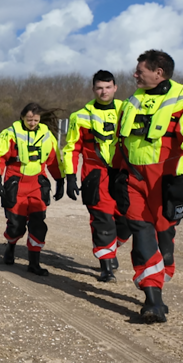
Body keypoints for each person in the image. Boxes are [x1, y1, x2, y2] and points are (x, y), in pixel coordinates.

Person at [112, 50, 183, 323]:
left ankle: (161, 269)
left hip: (166, 180)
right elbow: (121, 141)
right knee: (141, 233)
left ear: (158, 73)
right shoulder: (131, 102)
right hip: (133, 178)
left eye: (140, 70)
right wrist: (113, 173)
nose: (135, 74)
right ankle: (153, 299)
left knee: (164, 239)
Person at [60, 70, 130, 282]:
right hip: (95, 174)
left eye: (108, 87)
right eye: (99, 87)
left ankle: (112, 246)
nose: (104, 91)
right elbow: (71, 148)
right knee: (102, 219)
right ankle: (106, 266)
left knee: (128, 218)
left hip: (123, 172)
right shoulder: (80, 116)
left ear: (115, 88)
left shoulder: (128, 110)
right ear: (93, 89)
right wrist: (70, 177)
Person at [0, 103, 62, 276]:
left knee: (38, 224)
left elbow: (54, 160)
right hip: (16, 182)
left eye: (35, 120)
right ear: (22, 117)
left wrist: (61, 181)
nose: (32, 123)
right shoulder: (9, 134)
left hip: (38, 183)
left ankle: (34, 262)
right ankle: (10, 246)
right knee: (16, 225)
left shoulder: (47, 135)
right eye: (29, 119)